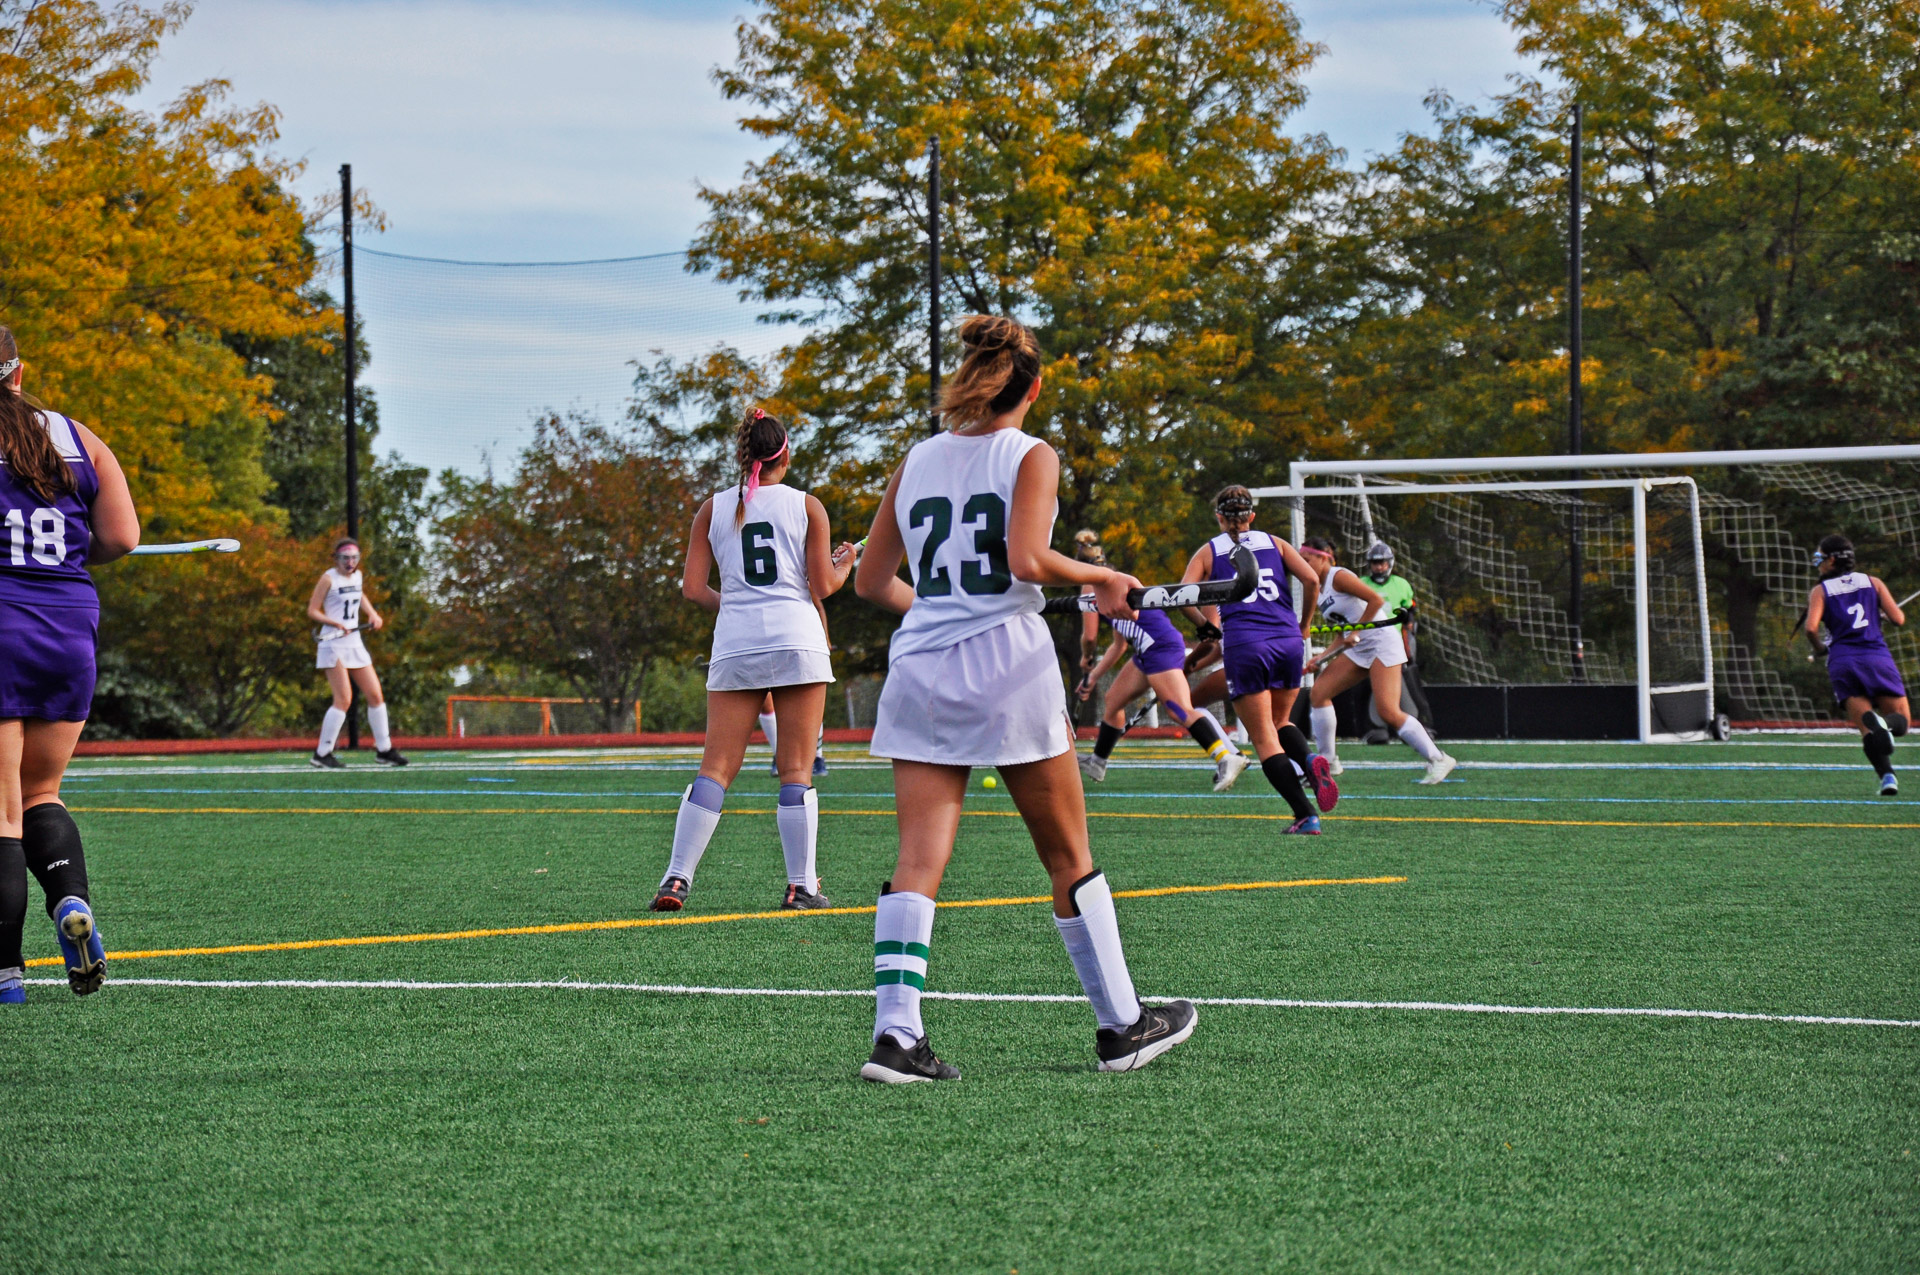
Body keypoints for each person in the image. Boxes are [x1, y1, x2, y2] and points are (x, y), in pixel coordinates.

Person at [853, 315, 1196, 1082]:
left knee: (917, 860)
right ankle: (1123, 1026)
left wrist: (942, 614)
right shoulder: (1031, 453)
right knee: (1067, 854)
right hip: (1008, 667)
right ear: (1032, 386)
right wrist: (1101, 579)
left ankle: (897, 1038)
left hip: (920, 669)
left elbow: (872, 582)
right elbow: (1027, 558)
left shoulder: (915, 459)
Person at [651, 408, 856, 913]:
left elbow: (693, 589)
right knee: (796, 770)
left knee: (715, 768)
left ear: (744, 456)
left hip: (736, 645)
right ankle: (800, 885)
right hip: (798, 641)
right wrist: (846, 563)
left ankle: (676, 879)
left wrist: (739, 608)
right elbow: (822, 586)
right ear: (784, 455)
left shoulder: (710, 509)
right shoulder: (808, 505)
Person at [0, 325, 140, 1004]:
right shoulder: (78, 437)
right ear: (18, 373)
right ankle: (70, 902)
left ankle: (5, 975)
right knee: (40, 792)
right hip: (66, 627)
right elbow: (121, 536)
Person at [1179, 487, 1336, 832]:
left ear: (1219, 517)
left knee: (1263, 736)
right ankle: (1309, 760)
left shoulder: (1209, 551)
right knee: (1281, 721)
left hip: (1247, 645)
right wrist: (1305, 626)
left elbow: (1183, 596)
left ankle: (1305, 815)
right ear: (1251, 516)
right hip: (1288, 641)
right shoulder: (1275, 542)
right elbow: (1311, 579)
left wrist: (1204, 627)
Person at [1070, 532, 1245, 791]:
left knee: (1178, 709)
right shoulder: (1116, 581)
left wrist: (1086, 657)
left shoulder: (1089, 586)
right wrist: (1094, 676)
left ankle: (1226, 757)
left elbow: (1090, 636)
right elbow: (1119, 645)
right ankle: (1098, 761)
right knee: (1113, 701)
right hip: (1147, 650)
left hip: (1159, 647)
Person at [1300, 537, 1455, 785]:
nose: (1303, 565)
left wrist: (1358, 631)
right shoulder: (1318, 590)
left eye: (1306, 560)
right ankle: (1328, 763)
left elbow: (1376, 600)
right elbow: (1342, 635)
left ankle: (1439, 759)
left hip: (1382, 643)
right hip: (1360, 648)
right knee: (1319, 693)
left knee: (1388, 711)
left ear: (1324, 557)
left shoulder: (1339, 576)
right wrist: (1322, 657)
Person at [1805, 534, 1909, 796]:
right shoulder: (1873, 582)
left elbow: (1810, 629)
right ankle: (1887, 726)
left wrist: (1820, 649)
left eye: (1820, 558)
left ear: (1831, 560)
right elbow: (1899, 619)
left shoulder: (1820, 591)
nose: (1818, 563)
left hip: (1843, 661)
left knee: (1866, 729)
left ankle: (1888, 777)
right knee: (1903, 723)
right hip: (1877, 658)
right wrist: (1881, 614)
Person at [306, 538, 407, 768]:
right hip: (333, 642)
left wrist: (373, 614)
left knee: (375, 695)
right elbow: (312, 610)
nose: (350, 563)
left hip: (354, 641)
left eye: (354, 558)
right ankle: (322, 753)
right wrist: (334, 623)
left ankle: (384, 750)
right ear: (336, 559)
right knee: (344, 699)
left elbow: (359, 595)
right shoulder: (328, 578)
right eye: (345, 558)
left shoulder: (358, 577)